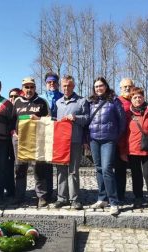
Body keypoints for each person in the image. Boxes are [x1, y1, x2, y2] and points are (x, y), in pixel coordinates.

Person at [120, 87, 148, 211]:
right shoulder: (127, 114)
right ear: (131, 99)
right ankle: (138, 197)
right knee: (136, 175)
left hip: (147, 148)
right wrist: (123, 150)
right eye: (134, 97)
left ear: (144, 98)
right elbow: (123, 133)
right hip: (132, 149)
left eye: (140, 97)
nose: (137, 99)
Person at [88, 77, 126, 216]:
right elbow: (87, 120)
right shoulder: (91, 101)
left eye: (101, 86)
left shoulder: (114, 100)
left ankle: (114, 202)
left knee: (107, 169)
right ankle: (102, 198)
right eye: (96, 86)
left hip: (108, 140)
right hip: (94, 139)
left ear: (106, 86)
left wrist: (115, 136)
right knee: (98, 169)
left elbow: (122, 121)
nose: (98, 88)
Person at [13, 77, 50, 207]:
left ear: (35, 88)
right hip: (20, 140)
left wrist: (38, 118)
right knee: (20, 168)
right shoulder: (17, 101)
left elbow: (49, 121)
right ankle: (19, 196)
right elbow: (12, 120)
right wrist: (14, 133)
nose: (29, 89)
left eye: (31, 87)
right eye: (26, 87)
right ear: (22, 88)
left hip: (36, 140)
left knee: (38, 169)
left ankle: (41, 197)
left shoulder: (42, 102)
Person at [54, 75, 89, 210]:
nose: (66, 88)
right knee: (61, 170)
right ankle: (61, 198)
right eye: (64, 85)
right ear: (61, 86)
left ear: (73, 86)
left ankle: (74, 199)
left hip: (75, 140)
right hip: (61, 142)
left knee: (73, 171)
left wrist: (75, 118)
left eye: (69, 85)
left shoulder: (81, 101)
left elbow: (87, 119)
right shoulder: (58, 102)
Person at [39, 72, 63, 202]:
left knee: (61, 165)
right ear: (46, 83)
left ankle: (62, 193)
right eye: (49, 82)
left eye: (54, 82)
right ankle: (47, 192)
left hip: (59, 134)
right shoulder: (41, 98)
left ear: (57, 83)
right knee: (46, 165)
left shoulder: (63, 97)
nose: (51, 84)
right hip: (45, 135)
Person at [115, 78, 134, 202]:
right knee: (119, 170)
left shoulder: (137, 100)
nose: (127, 88)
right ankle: (118, 195)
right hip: (119, 141)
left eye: (129, 86)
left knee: (136, 171)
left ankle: (138, 195)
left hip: (134, 142)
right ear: (120, 89)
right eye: (124, 87)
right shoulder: (116, 101)